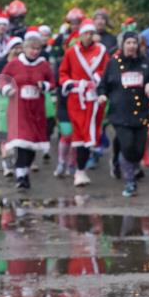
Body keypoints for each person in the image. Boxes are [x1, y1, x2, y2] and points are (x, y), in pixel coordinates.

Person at [97, 31, 149, 196]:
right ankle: (130, 182)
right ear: (122, 45)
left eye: (134, 43)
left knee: (138, 150)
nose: (131, 46)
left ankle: (117, 159)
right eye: (128, 43)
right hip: (120, 113)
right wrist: (102, 95)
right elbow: (103, 85)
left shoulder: (145, 63)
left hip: (141, 113)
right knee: (128, 146)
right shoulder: (113, 63)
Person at [0, 30, 53, 190]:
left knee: (32, 145)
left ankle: (25, 171)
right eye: (32, 48)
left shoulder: (43, 65)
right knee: (21, 142)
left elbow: (52, 81)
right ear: (25, 48)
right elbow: (3, 77)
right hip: (19, 108)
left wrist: (44, 86)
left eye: (37, 49)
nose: (34, 51)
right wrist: (7, 88)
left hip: (36, 109)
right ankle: (21, 176)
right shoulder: (15, 64)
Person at [58, 21, 109, 187]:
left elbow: (106, 70)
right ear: (80, 34)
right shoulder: (71, 52)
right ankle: (79, 171)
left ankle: (82, 169)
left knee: (92, 133)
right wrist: (70, 84)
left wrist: (97, 78)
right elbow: (63, 73)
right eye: (85, 33)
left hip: (94, 99)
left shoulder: (101, 51)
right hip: (77, 99)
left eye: (91, 33)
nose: (88, 36)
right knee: (80, 133)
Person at [0, 37, 24, 176]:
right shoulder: (0, 63)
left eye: (21, 47)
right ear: (10, 49)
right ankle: (6, 163)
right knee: (3, 133)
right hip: (2, 100)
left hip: (19, 101)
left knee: (18, 133)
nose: (19, 50)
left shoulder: (24, 63)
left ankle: (17, 159)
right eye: (16, 47)